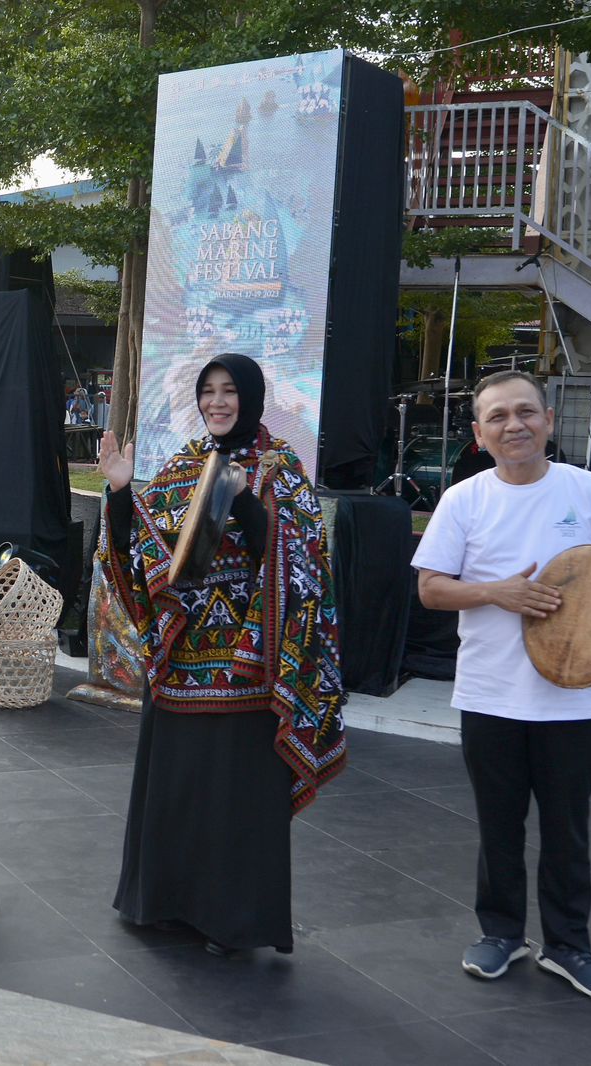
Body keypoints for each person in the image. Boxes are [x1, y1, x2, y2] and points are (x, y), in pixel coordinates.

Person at [99, 352, 347, 956]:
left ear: (251, 398)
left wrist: (246, 507)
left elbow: (304, 566)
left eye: (229, 390)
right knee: (179, 790)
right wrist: (121, 492)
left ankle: (231, 919)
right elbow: (139, 555)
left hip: (250, 667)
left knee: (235, 799)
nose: (217, 402)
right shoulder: (184, 466)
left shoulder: (281, 468)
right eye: (208, 390)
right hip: (181, 664)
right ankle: (165, 904)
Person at [414, 370, 591, 1002]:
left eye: (526, 413)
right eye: (499, 418)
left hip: (572, 694)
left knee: (568, 826)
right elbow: (431, 588)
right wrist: (497, 592)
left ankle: (570, 946)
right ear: (480, 435)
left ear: (546, 420)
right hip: (489, 692)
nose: (515, 425)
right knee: (498, 823)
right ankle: (501, 933)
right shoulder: (464, 500)